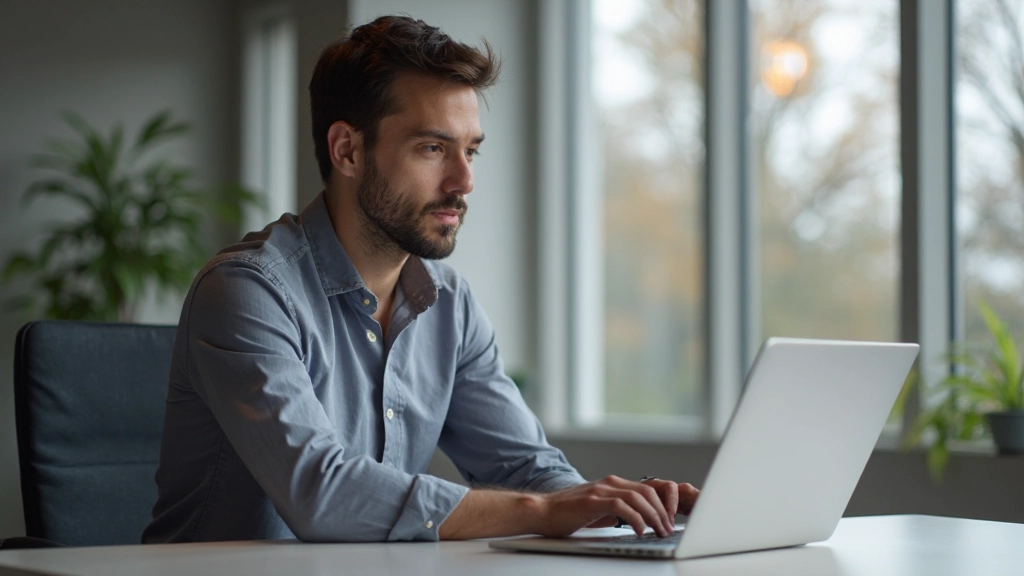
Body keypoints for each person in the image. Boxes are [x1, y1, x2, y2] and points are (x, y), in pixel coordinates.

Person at [142, 15, 698, 544]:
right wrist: (543, 512)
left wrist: (614, 509)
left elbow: (526, 467)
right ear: (348, 150)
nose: (464, 181)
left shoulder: (448, 304)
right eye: (433, 148)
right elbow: (321, 492)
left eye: (471, 150)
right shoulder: (247, 291)